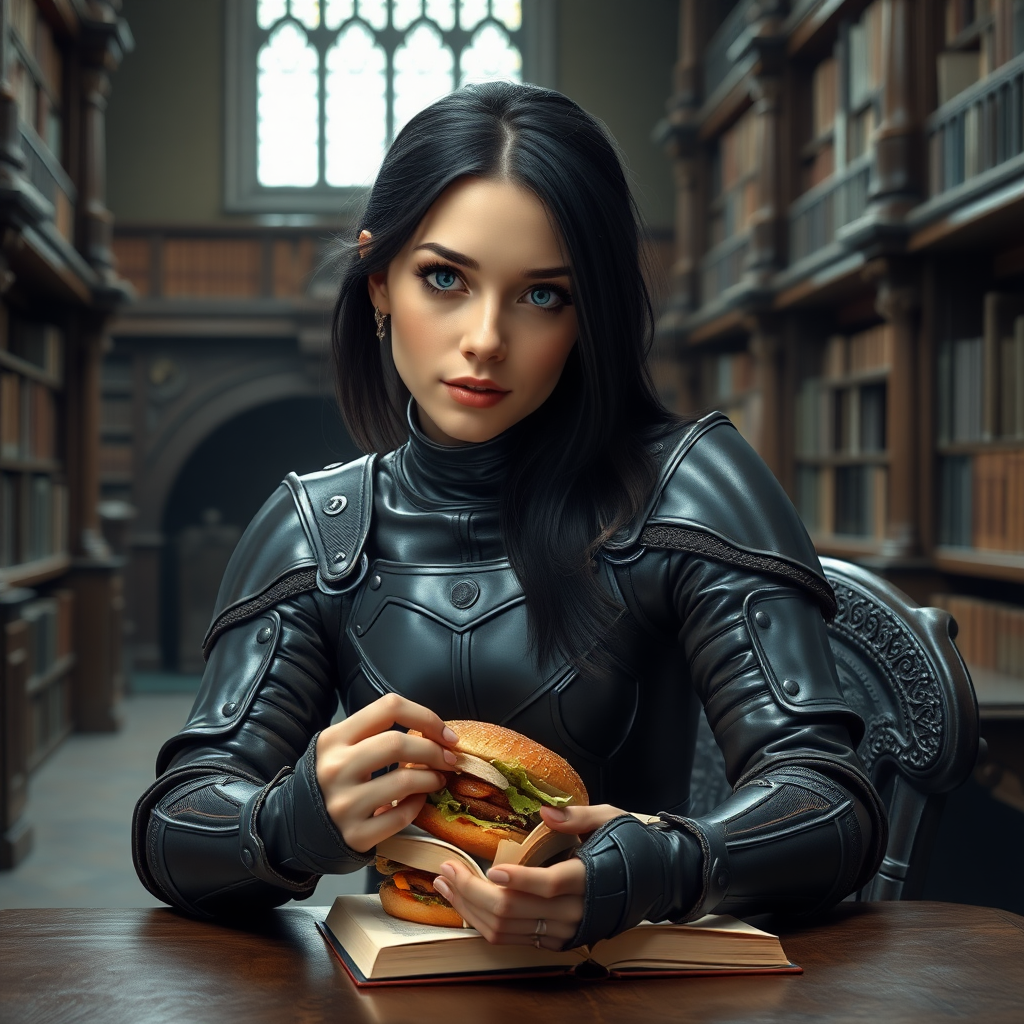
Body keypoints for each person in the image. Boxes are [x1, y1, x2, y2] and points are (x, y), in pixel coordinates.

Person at [132, 82, 886, 950]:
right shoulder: (317, 526)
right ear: (379, 281)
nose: (485, 338)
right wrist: (291, 820)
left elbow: (830, 799)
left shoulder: (693, 490)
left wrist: (652, 867)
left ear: (589, 313)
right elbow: (174, 824)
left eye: (542, 296)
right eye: (444, 278)